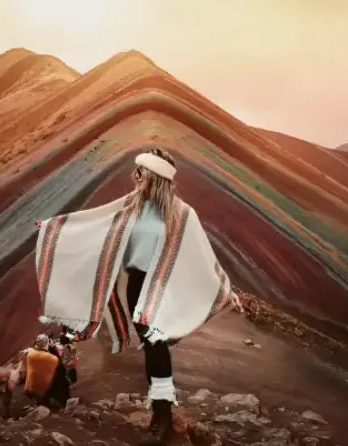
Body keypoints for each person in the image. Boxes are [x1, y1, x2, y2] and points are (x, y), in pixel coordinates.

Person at [35, 147, 242, 446]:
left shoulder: (182, 215)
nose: (135, 176)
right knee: (151, 347)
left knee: (157, 348)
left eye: (140, 172)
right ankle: (162, 411)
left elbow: (200, 256)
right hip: (136, 286)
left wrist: (223, 289)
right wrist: (54, 230)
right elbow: (96, 225)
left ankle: (162, 418)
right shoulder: (131, 205)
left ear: (155, 176)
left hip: (161, 287)